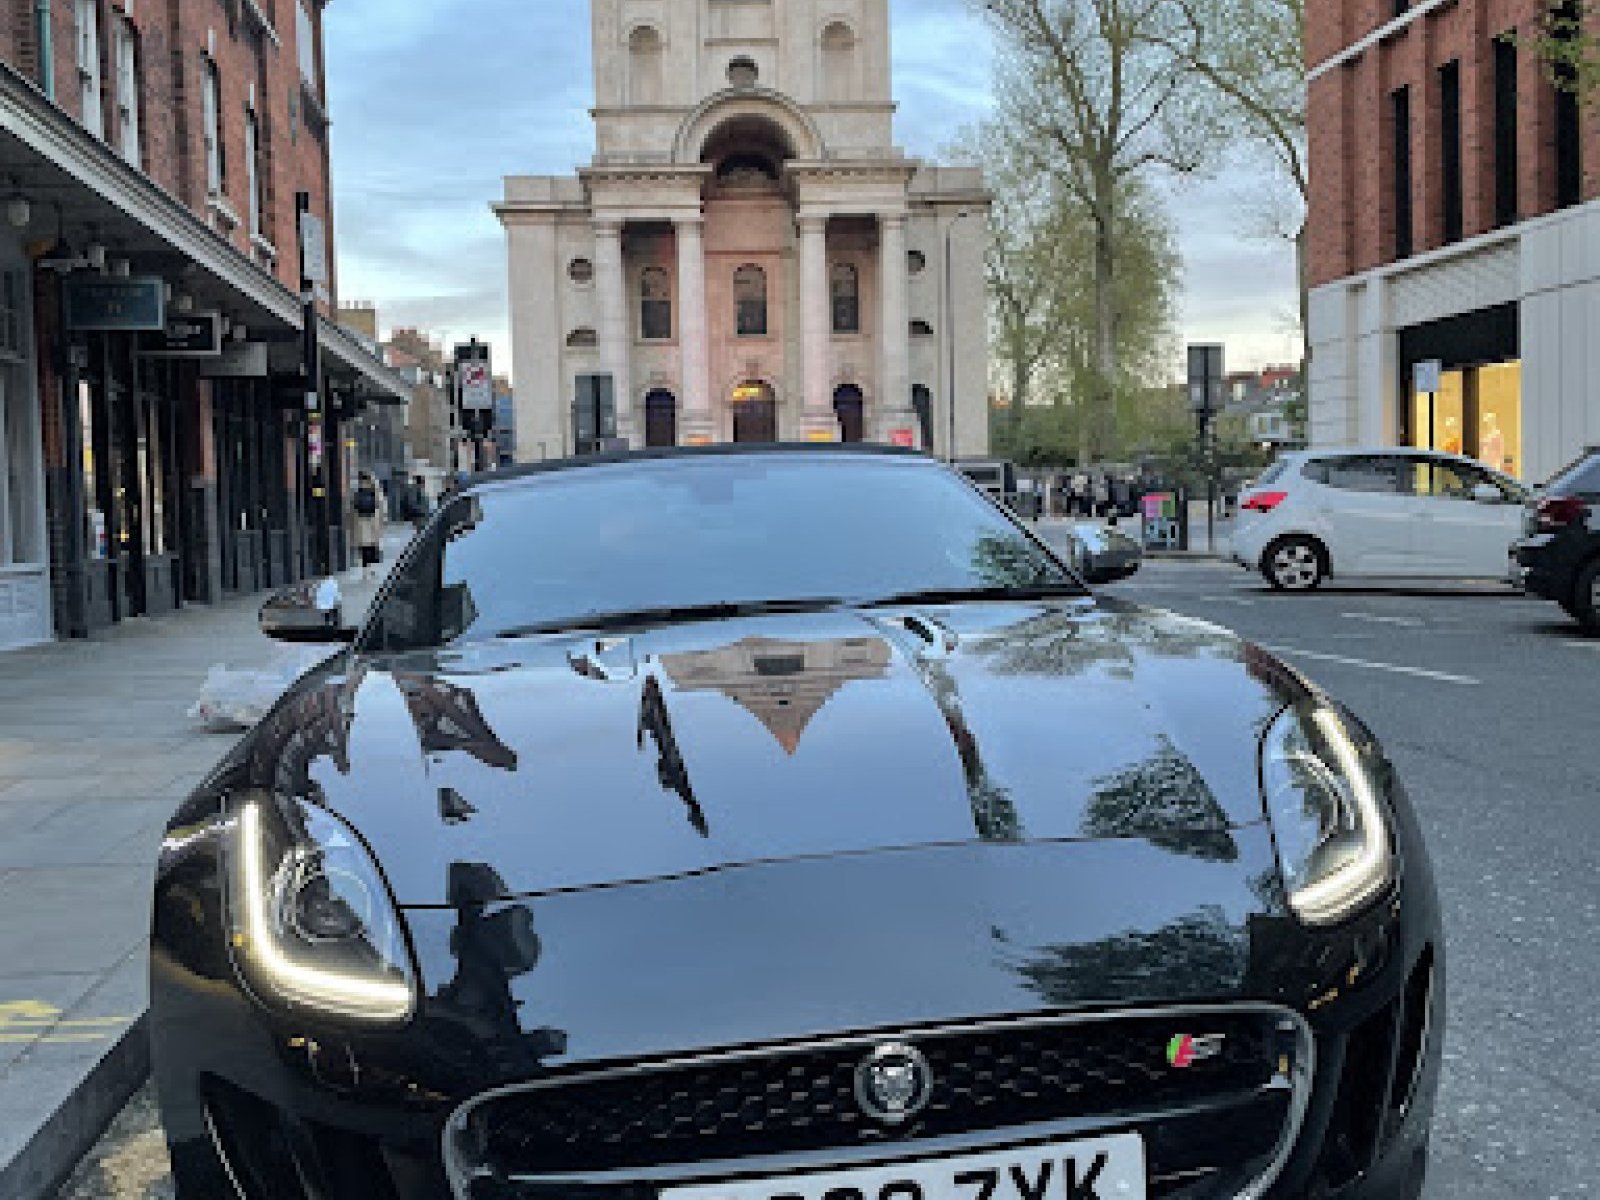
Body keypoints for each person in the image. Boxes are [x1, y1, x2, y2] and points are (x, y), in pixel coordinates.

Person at [351, 470, 386, 582]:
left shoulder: (358, 492)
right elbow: (381, 508)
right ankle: (368, 570)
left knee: (365, 547)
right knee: (370, 547)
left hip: (362, 523)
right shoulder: (375, 492)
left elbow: (353, 508)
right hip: (371, 523)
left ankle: (367, 570)